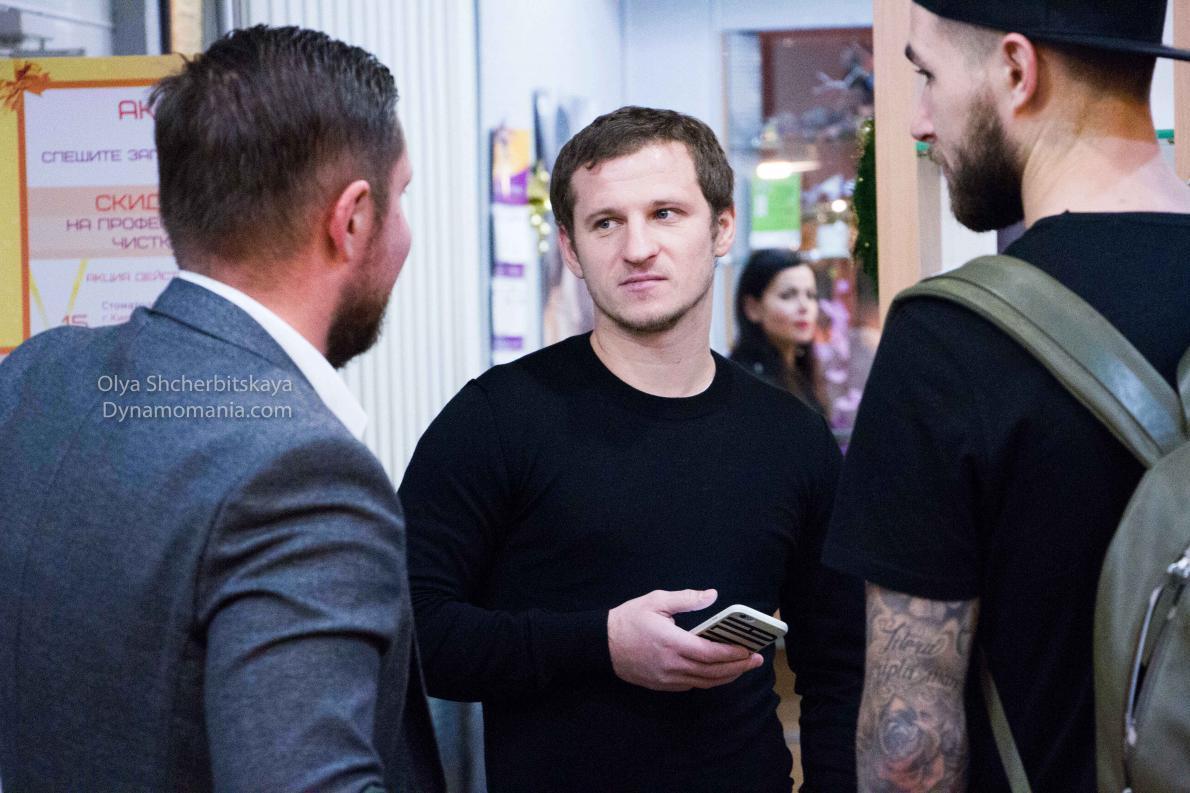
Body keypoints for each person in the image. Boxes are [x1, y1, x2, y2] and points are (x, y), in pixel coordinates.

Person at [0, 25, 444, 792]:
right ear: (351, 219)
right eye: (401, 197)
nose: (405, 231)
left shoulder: (38, 374)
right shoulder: (304, 477)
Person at [400, 105, 863, 793]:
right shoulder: (496, 418)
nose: (637, 248)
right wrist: (600, 645)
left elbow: (841, 666)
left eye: (665, 213)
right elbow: (409, 635)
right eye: (606, 223)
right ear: (570, 248)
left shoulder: (792, 436)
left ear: (723, 227)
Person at [822, 1, 1190, 790]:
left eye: (928, 75)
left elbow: (907, 751)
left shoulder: (947, 341)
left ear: (1018, 71)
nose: (919, 121)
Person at [730, 249, 826, 414]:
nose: (804, 307)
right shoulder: (746, 385)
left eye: (811, 295)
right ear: (752, 308)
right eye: (788, 296)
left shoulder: (800, 373)